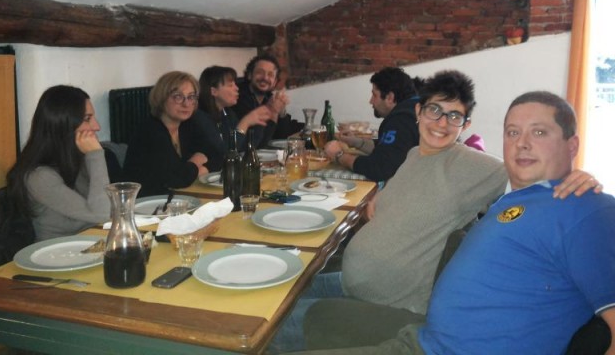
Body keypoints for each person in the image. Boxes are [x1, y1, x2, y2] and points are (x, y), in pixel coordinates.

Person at [270, 71, 600, 353]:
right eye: (434, 110)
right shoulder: (414, 154)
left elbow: (527, 169)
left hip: (391, 300)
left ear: (465, 124)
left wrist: (575, 176)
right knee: (275, 296)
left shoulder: (471, 166)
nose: (442, 123)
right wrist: (380, 203)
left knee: (272, 326)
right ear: (418, 111)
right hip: (350, 279)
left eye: (454, 116)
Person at [5, 85, 111, 242]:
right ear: (63, 124)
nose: (97, 126)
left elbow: (109, 208)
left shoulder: (75, 156)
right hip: (56, 252)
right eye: (87, 119)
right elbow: (102, 214)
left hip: (88, 243)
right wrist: (96, 155)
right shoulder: (39, 177)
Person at [123, 71, 219, 197]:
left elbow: (218, 156)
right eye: (178, 96)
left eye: (191, 97)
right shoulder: (150, 131)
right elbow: (177, 180)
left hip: (174, 196)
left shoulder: (188, 125)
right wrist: (196, 161)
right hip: (145, 202)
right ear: (161, 98)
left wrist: (196, 170)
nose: (186, 104)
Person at [324, 67, 421, 183]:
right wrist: (357, 142)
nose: (371, 101)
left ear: (390, 97)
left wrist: (338, 155)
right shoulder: (413, 108)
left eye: (374, 95)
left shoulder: (401, 120)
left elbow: (379, 168)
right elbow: (389, 150)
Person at [196, 65, 274, 158]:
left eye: (235, 84)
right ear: (214, 91)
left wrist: (260, 121)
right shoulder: (200, 117)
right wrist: (245, 122)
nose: (237, 88)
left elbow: (246, 147)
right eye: (230, 85)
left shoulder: (228, 113)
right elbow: (226, 153)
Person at [231, 54, 295, 147]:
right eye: (260, 72)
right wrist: (273, 112)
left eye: (270, 75)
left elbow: (282, 138)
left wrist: (282, 112)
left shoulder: (269, 97)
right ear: (249, 75)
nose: (265, 78)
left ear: (275, 82)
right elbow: (257, 144)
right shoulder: (237, 98)